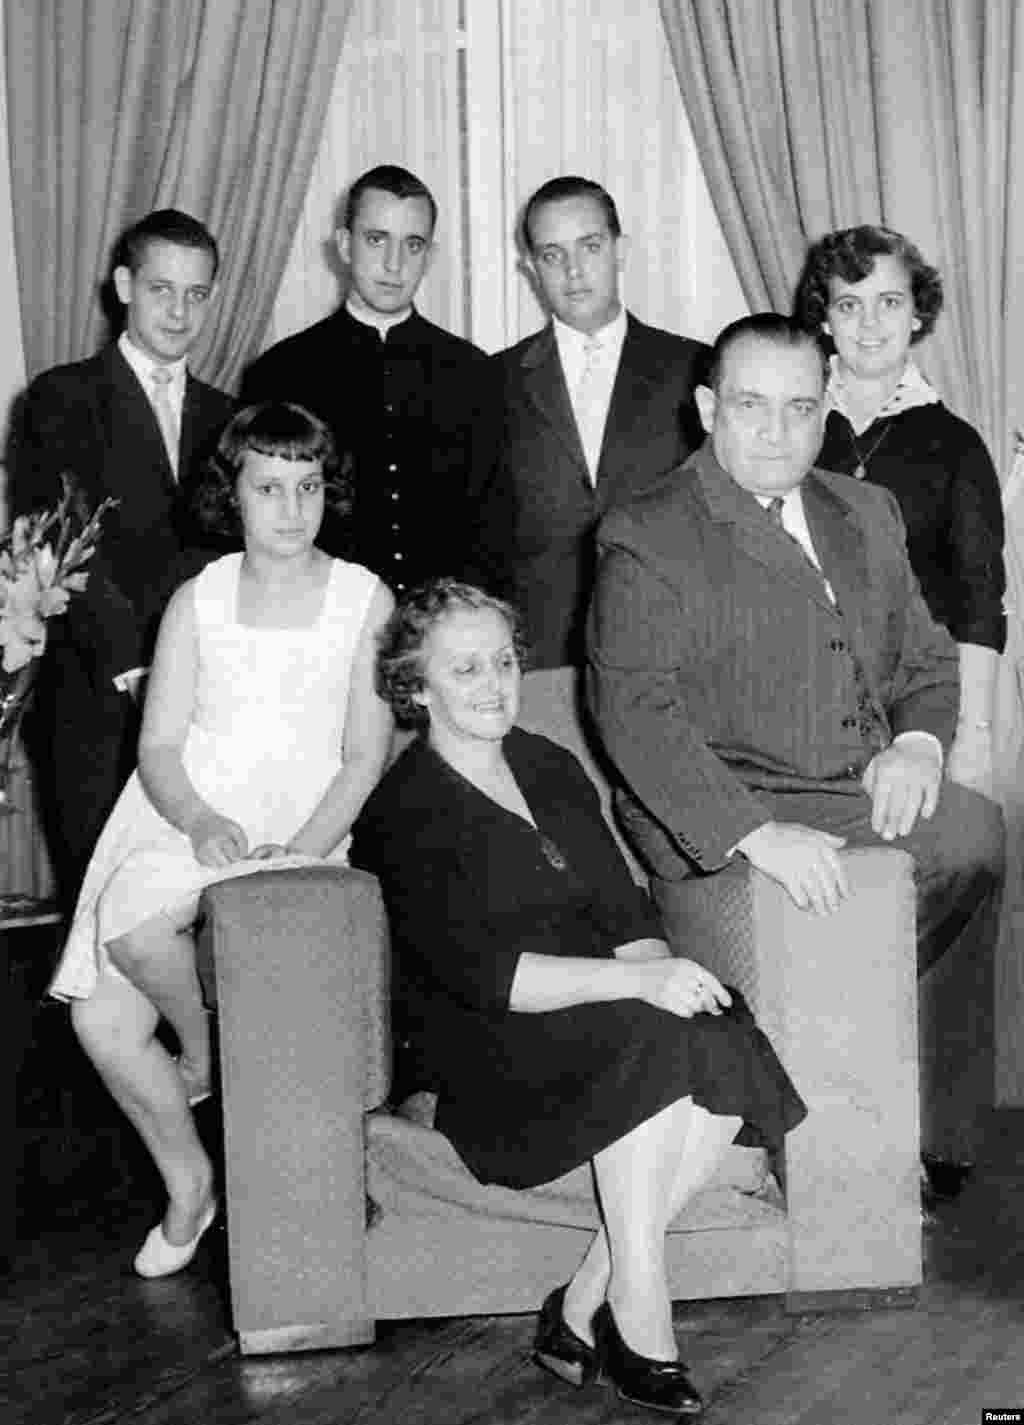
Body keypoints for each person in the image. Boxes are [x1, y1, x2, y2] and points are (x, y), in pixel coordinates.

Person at [351, 579, 806, 1417]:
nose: (492, 684)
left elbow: (624, 912)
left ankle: (585, 1295)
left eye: (501, 662)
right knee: (654, 1038)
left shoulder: (549, 765)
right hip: (489, 1044)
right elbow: (493, 977)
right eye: (464, 669)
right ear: (416, 687)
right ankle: (642, 1311)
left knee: (711, 1022)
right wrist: (639, 984)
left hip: (598, 1005)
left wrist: (661, 976)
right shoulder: (401, 811)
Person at [588, 313, 1004, 1170]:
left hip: (853, 786)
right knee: (823, 919)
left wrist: (920, 745)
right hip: (725, 798)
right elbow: (633, 711)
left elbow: (926, 656)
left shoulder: (865, 508)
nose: (778, 431)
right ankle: (824, 1109)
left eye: (800, 407)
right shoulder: (647, 529)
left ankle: (933, 1124)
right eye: (751, 405)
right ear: (708, 408)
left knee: (975, 835)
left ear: (826, 413)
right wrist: (755, 833)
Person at [49, 403, 393, 1279]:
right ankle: (192, 1171)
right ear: (232, 495)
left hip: (305, 829)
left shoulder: (363, 597)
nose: (290, 508)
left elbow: (364, 756)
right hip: (188, 813)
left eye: (308, 487)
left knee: (125, 950)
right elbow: (158, 746)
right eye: (268, 487)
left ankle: (206, 1060)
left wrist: (302, 849)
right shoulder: (198, 599)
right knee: (102, 1015)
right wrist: (200, 820)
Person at [13, 209, 235, 908]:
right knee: (101, 919)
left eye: (196, 294)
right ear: (122, 286)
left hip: (202, 710)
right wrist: (138, 667)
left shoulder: (229, 414)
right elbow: (62, 547)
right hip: (93, 703)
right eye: (162, 288)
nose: (179, 310)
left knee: (191, 912)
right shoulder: (59, 398)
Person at [794, 225, 1006, 798]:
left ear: (917, 314)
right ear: (823, 318)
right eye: (849, 305)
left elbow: (978, 601)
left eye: (889, 303)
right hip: (799, 704)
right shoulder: (788, 424)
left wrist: (973, 733)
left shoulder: (955, 445)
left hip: (921, 708)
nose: (868, 325)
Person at [467, 176, 708, 668]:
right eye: (553, 255)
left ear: (620, 249)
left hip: (672, 656)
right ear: (531, 268)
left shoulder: (695, 369)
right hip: (539, 659)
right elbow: (480, 543)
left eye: (590, 247)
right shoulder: (492, 382)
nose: (574, 271)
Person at [240, 164, 491, 595]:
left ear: (429, 255)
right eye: (377, 240)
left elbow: (493, 526)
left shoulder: (474, 372)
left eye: (412, 245)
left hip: (443, 629)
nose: (394, 264)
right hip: (319, 621)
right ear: (344, 245)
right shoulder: (279, 372)